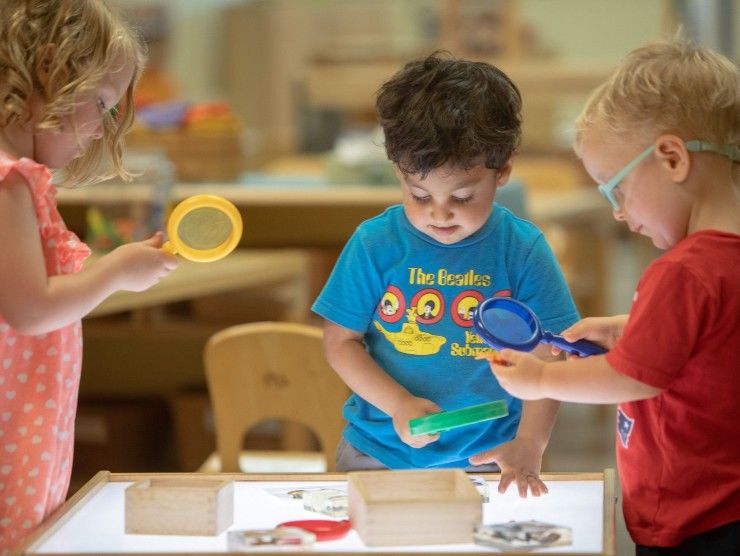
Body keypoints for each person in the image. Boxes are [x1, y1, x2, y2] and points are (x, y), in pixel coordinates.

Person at [482, 39, 739, 555]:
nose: (618, 213)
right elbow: (716, 343)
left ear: (670, 158)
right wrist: (633, 327)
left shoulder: (683, 272)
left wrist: (540, 379)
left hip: (695, 521)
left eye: (615, 189)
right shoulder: (723, 260)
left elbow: (630, 378)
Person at [312, 52, 580, 496]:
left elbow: (554, 356)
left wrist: (530, 443)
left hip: (491, 458)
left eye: (462, 196)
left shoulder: (522, 250)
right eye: (419, 195)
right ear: (398, 172)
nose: (439, 214)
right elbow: (340, 342)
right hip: (379, 453)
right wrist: (397, 404)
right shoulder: (375, 243)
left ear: (503, 172)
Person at [0, 1, 177, 552]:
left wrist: (116, 265)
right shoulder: (7, 182)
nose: (102, 127)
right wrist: (116, 272)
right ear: (51, 70)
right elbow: (29, 309)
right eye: (100, 102)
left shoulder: (21, 179)